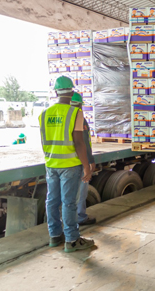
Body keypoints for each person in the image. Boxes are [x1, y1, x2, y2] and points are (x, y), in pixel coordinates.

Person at [39, 76, 95, 253]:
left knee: (52, 200)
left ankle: (55, 235)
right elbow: (79, 143)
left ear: (55, 92)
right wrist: (86, 166)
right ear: (72, 92)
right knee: (69, 203)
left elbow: (44, 141)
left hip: (51, 164)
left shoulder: (44, 114)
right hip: (70, 165)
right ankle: (72, 239)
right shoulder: (75, 113)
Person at [70, 92, 96, 226]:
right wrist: (90, 162)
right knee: (81, 191)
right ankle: (80, 217)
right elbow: (83, 142)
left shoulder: (63, 117)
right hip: (80, 161)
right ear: (79, 104)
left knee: (68, 193)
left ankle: (68, 217)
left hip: (65, 162)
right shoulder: (79, 117)